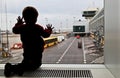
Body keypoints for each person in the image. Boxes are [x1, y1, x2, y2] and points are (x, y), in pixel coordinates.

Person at [4, 6, 53, 77]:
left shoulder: (22, 27)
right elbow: (46, 34)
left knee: (26, 63)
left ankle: (17, 69)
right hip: (36, 51)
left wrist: (19, 23)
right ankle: (13, 68)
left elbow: (15, 30)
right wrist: (49, 29)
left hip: (27, 50)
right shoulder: (37, 28)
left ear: (24, 18)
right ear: (35, 18)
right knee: (35, 65)